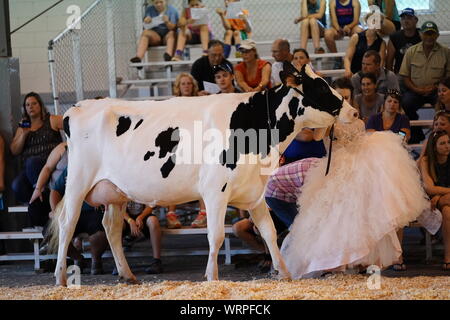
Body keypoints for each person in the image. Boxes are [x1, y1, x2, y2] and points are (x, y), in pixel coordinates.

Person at [281, 117, 429, 279]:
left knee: (356, 215)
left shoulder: (358, 123)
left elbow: (359, 145)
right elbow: (314, 137)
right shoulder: (326, 123)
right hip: (335, 169)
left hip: (356, 169)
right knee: (334, 215)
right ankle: (334, 261)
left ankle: (356, 260)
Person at [10, 92, 63, 220]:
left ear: (40, 105)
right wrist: (24, 134)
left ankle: (43, 195)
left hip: (49, 164)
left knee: (32, 162)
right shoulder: (23, 126)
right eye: (27, 105)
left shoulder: (51, 120)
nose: (31, 107)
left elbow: (70, 124)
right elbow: (14, 151)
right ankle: (41, 208)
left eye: (34, 103)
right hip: (30, 171)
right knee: (17, 185)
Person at [399, 21, 450, 144]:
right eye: (426, 34)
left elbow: (448, 76)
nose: (429, 37)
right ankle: (416, 135)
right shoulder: (411, 51)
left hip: (436, 92)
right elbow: (405, 76)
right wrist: (417, 89)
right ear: (421, 35)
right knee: (406, 103)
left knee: (445, 102)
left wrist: (437, 88)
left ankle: (442, 135)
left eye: (432, 34)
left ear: (437, 35)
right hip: (415, 91)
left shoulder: (446, 52)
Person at [50, 167, 108, 275]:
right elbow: (55, 191)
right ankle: (77, 258)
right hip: (70, 211)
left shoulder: (99, 167)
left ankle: (95, 260)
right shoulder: (70, 167)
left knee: (100, 232)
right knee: (51, 233)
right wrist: (55, 211)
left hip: (94, 211)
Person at [419, 130, 450, 271]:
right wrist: (439, 196)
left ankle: (448, 258)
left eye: (448, 142)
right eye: (442, 143)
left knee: (446, 206)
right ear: (434, 146)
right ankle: (448, 257)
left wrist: (440, 195)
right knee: (447, 211)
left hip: (442, 198)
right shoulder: (426, 161)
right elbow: (430, 188)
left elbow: (435, 189)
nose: (447, 146)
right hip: (435, 200)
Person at [130, 0, 179, 67]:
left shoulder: (172, 10)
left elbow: (174, 27)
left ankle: (168, 57)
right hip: (156, 36)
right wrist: (146, 20)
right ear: (153, 3)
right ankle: (138, 58)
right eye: (156, 3)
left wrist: (167, 22)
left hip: (167, 36)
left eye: (161, 2)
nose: (159, 4)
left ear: (166, 1)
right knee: (145, 33)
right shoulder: (150, 9)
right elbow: (146, 25)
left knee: (171, 33)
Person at [121, 202, 163, 274]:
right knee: (118, 224)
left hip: (142, 215)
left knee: (153, 221)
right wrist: (130, 221)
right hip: (126, 217)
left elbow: (150, 205)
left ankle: (157, 261)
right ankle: (119, 263)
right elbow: (119, 208)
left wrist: (140, 217)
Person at [343, 12, 386, 78]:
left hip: (372, 76)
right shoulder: (356, 37)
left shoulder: (382, 43)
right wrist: (348, 70)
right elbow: (347, 58)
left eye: (379, 22)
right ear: (367, 22)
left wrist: (375, 77)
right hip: (355, 73)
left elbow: (381, 64)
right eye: (374, 21)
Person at [386, 8, 421, 74]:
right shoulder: (394, 37)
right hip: (400, 73)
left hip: (418, 73)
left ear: (416, 20)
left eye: (409, 18)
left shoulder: (422, 35)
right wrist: (390, 77)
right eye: (403, 18)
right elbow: (389, 61)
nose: (406, 21)